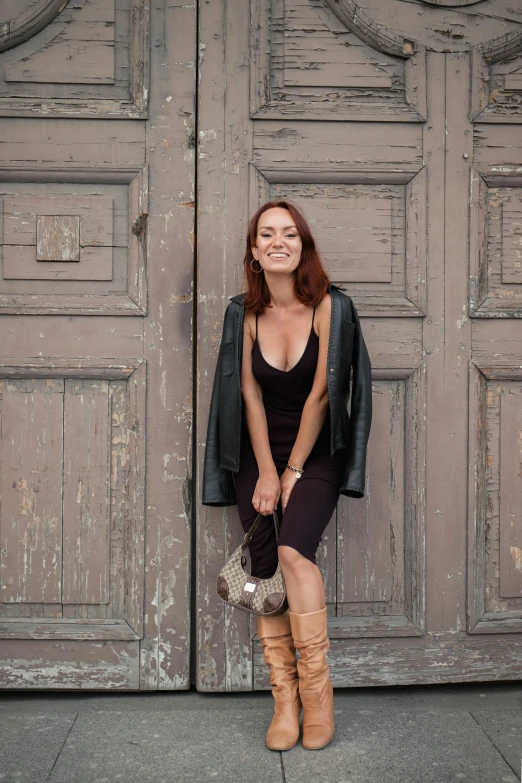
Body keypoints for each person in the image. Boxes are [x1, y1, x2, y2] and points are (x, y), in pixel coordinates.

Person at [202, 199, 372, 751]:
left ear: (303, 246)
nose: (279, 241)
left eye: (290, 234)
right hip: (258, 452)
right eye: (267, 234)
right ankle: (285, 702)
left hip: (316, 449)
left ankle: (319, 697)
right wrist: (267, 472)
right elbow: (247, 393)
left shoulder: (330, 307)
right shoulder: (244, 312)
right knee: (266, 562)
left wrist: (294, 469)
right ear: (254, 251)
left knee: (296, 552)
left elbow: (324, 393)